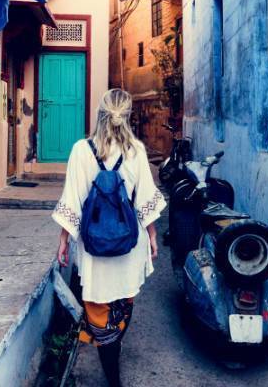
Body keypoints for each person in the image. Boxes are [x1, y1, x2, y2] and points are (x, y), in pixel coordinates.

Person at [52, 88, 166, 387]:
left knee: (99, 309)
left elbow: (73, 200)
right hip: (128, 247)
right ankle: (113, 348)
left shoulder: (81, 150)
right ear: (127, 117)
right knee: (122, 304)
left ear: (99, 114)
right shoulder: (136, 150)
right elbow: (145, 201)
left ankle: (110, 365)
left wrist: (64, 239)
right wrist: (153, 237)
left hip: (94, 249)